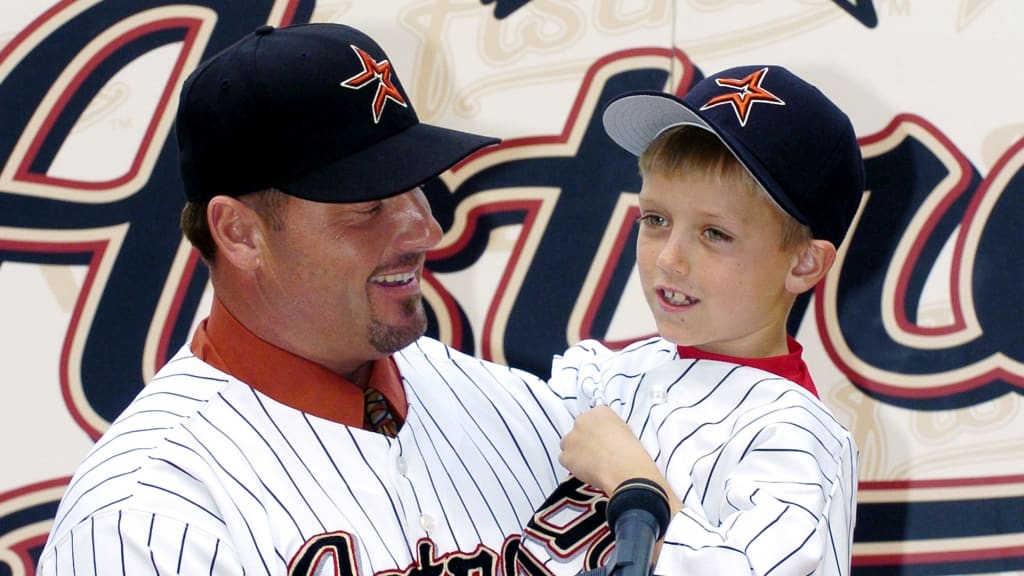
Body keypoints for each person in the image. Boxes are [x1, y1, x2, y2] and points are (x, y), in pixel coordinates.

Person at [37, 22, 573, 576]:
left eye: (416, 186)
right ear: (240, 233)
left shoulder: (514, 408)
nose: (424, 229)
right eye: (368, 206)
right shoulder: (144, 516)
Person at [516, 65, 862, 575]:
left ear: (803, 263)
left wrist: (633, 481)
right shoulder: (607, 374)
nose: (670, 260)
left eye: (714, 234)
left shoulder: (795, 435)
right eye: (656, 220)